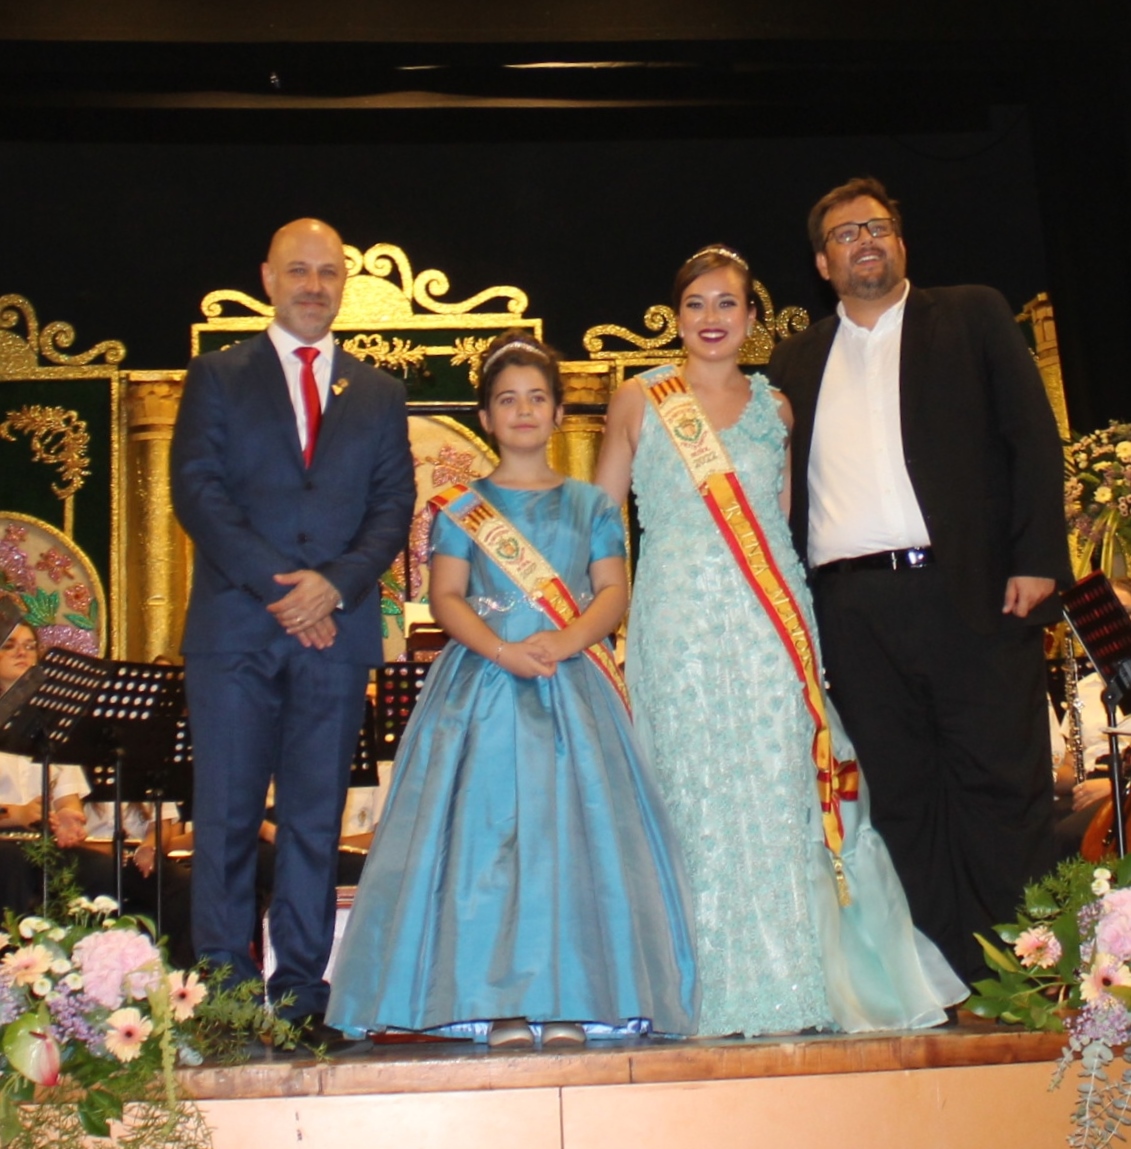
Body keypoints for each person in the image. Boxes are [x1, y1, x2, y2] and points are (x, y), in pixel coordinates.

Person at [595, 245, 964, 1035]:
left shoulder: (778, 409)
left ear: (752, 318)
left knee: (777, 788)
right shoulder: (636, 399)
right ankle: (695, 983)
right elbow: (598, 527)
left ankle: (796, 978)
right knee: (689, 790)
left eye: (727, 303)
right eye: (695, 303)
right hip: (676, 625)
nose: (711, 318)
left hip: (769, 622)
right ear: (673, 316)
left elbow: (785, 524)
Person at [326, 331, 699, 1048]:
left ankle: (572, 997)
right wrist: (502, 649)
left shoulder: (591, 506)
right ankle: (494, 1000)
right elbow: (447, 597)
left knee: (571, 844)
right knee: (487, 845)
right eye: (507, 400)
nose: (523, 410)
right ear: (486, 417)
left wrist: (566, 640)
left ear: (558, 411)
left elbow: (613, 592)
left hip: (573, 686)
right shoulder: (459, 508)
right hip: (482, 689)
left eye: (536, 398)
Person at [766, 178, 1072, 981]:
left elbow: (1030, 436)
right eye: (844, 234)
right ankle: (932, 981)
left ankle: (1024, 978)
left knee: (1000, 786)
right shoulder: (795, 358)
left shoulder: (970, 314)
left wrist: (1036, 557)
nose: (863, 241)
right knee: (898, 799)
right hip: (851, 608)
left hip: (970, 590)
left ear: (900, 244)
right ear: (821, 264)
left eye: (876, 227)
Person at [171, 218, 416, 1028]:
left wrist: (333, 587)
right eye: (298, 270)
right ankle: (225, 994)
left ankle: (302, 994)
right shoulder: (217, 375)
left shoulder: (378, 392)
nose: (314, 285)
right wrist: (285, 589)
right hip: (236, 631)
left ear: (344, 283)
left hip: (334, 635)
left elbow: (392, 507)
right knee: (227, 818)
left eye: (328, 272)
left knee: (314, 820)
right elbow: (197, 490)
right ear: (268, 278)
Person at [0, 622, 90, 915]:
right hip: (5, 843)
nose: (22, 653)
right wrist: (17, 815)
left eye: (30, 646)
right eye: (10, 645)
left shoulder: (53, 721)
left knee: (104, 871)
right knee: (13, 863)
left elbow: (67, 797)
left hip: (42, 843)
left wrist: (67, 817)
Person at [1053, 577, 1131, 858]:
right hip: (1087, 785)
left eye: (1126, 613)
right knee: (1032, 825)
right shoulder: (1086, 687)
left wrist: (1111, 786)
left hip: (1120, 783)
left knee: (1064, 836)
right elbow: (1068, 766)